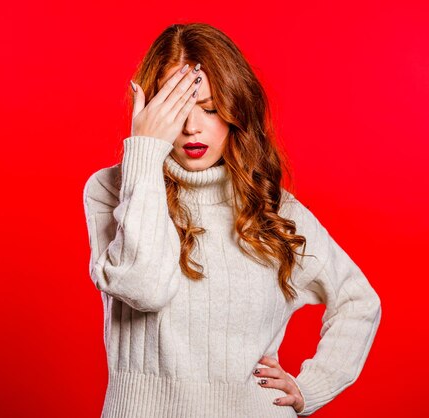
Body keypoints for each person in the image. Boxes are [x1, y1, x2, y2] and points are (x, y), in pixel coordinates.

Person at [83, 23, 382, 417]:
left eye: (209, 108)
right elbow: (145, 288)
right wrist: (144, 151)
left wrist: (311, 387)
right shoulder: (112, 189)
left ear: (236, 110)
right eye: (174, 109)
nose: (192, 126)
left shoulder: (275, 209)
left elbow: (358, 301)